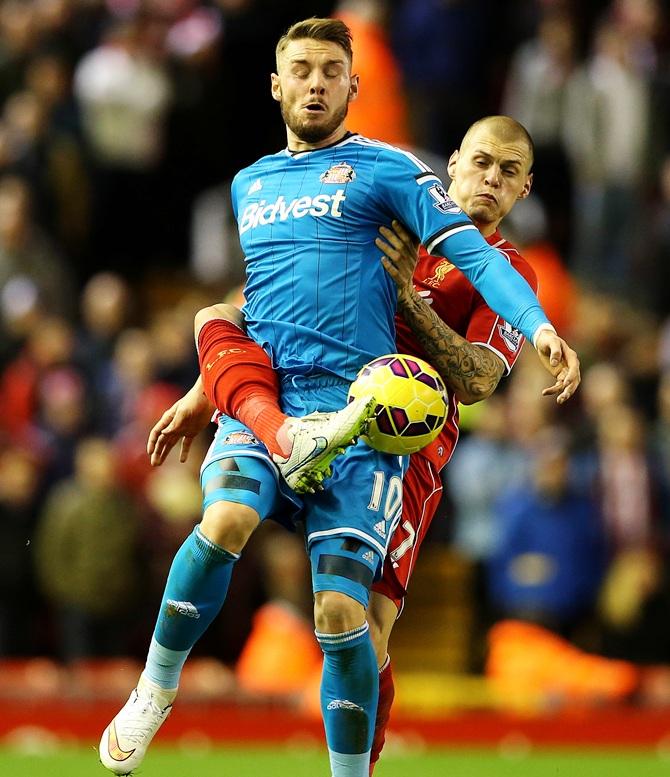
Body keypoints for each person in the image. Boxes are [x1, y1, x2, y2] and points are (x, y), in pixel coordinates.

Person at [100, 18, 579, 777]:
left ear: (524, 187)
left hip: (395, 443)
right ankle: (156, 685)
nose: (490, 178)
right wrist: (201, 390)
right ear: (452, 165)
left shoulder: (454, 232)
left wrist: (515, 322)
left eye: (508, 170)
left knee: (353, 625)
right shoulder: (303, 194)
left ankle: (356, 763)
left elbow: (481, 379)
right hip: (287, 402)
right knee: (214, 341)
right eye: (480, 162)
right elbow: (264, 294)